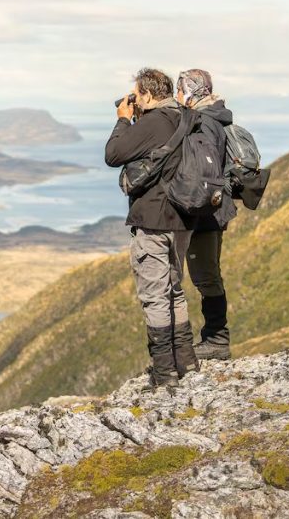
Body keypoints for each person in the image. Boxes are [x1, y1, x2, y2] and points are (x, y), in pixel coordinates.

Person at [105, 68, 200, 392]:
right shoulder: (184, 118)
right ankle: (186, 364)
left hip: (153, 220)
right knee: (174, 290)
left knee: (154, 297)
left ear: (145, 95)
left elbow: (113, 154)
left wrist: (122, 120)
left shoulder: (153, 123)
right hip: (183, 220)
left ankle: (164, 374)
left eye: (136, 94)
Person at [175, 69, 236, 361]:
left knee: (206, 275)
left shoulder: (203, 122)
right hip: (212, 207)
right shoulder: (214, 118)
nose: (177, 97)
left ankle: (216, 338)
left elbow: (204, 171)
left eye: (180, 90)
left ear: (191, 91)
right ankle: (214, 337)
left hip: (206, 211)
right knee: (206, 274)